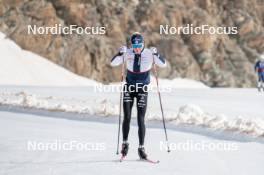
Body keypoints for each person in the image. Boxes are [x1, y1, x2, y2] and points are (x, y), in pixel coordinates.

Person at [110, 32, 166, 159]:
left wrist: (156, 53)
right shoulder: (128, 52)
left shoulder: (148, 53)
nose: (136, 48)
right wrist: (119, 53)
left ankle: (141, 148)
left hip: (142, 90)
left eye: (139, 45)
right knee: (127, 116)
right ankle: (124, 144)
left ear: (143, 44)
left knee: (141, 118)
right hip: (129, 88)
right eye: (134, 45)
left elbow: (163, 64)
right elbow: (113, 63)